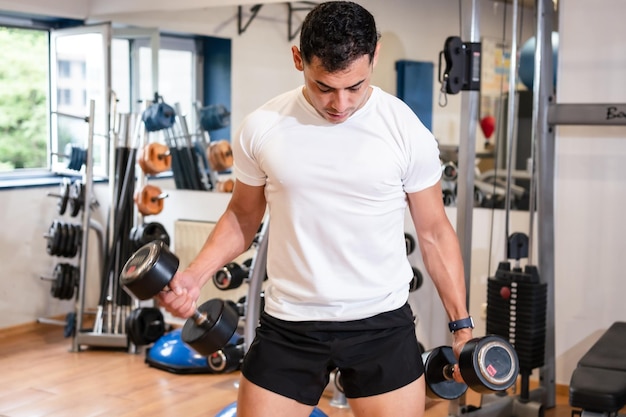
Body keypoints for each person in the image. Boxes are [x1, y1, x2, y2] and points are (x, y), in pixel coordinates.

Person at [158, 1, 473, 416]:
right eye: (324, 86)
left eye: (355, 87)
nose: (340, 104)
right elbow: (242, 216)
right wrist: (194, 276)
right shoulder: (263, 126)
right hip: (289, 323)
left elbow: (433, 231)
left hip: (380, 322)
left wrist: (462, 326)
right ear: (297, 59)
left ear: (374, 56)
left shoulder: (404, 129)